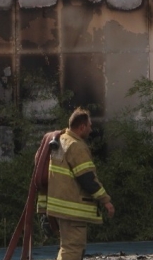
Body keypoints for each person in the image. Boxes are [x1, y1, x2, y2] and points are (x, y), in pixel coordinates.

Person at [39, 107, 114, 260]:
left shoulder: (60, 140)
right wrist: (106, 200)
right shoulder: (76, 146)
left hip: (58, 206)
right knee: (73, 249)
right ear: (82, 127)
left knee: (67, 247)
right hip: (72, 209)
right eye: (90, 126)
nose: (91, 129)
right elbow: (87, 178)